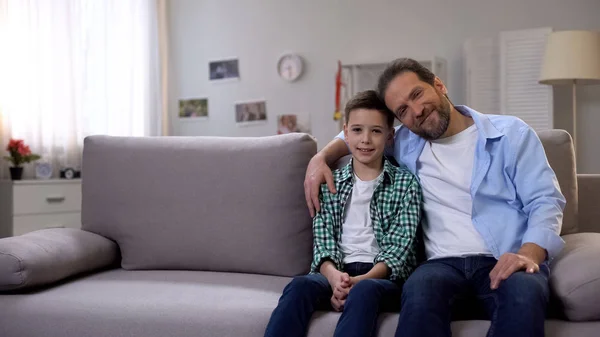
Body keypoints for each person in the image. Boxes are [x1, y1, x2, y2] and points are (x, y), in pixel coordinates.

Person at [304, 58, 565, 337]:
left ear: (439, 85)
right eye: (402, 110)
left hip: (505, 256)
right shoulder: (404, 140)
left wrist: (528, 253)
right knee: (419, 296)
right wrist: (321, 158)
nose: (416, 111)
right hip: (440, 266)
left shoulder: (511, 134)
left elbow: (545, 201)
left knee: (524, 296)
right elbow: (359, 132)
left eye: (417, 94)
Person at [264, 90, 422, 337]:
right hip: (336, 271)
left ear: (390, 136)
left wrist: (358, 283)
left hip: (382, 278)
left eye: (376, 131)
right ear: (346, 132)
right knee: (299, 286)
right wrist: (335, 278)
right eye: (357, 130)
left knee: (364, 291)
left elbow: (399, 250)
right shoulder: (330, 183)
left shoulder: (405, 184)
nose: (366, 139)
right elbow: (323, 240)